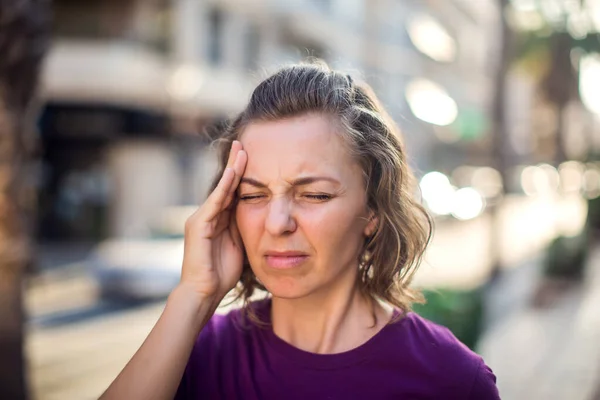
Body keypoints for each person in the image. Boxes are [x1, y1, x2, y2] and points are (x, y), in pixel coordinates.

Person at [100, 62, 500, 399]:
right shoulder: (192, 354)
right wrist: (191, 298)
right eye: (253, 196)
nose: (277, 224)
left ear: (374, 209)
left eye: (314, 195)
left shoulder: (453, 381)